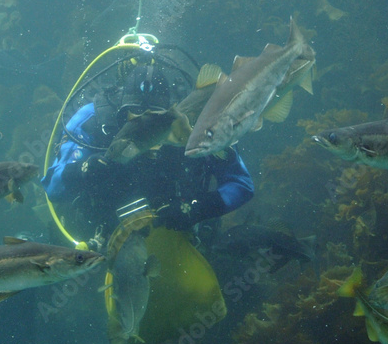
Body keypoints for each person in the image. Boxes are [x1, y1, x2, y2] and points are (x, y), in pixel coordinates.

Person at [41, 43, 253, 243]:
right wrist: (84, 170)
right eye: (133, 116)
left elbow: (241, 183)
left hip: (180, 244)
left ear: (171, 108)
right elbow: (52, 186)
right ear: (120, 107)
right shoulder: (92, 118)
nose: (145, 124)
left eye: (156, 117)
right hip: (102, 243)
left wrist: (196, 209)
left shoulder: (195, 118)